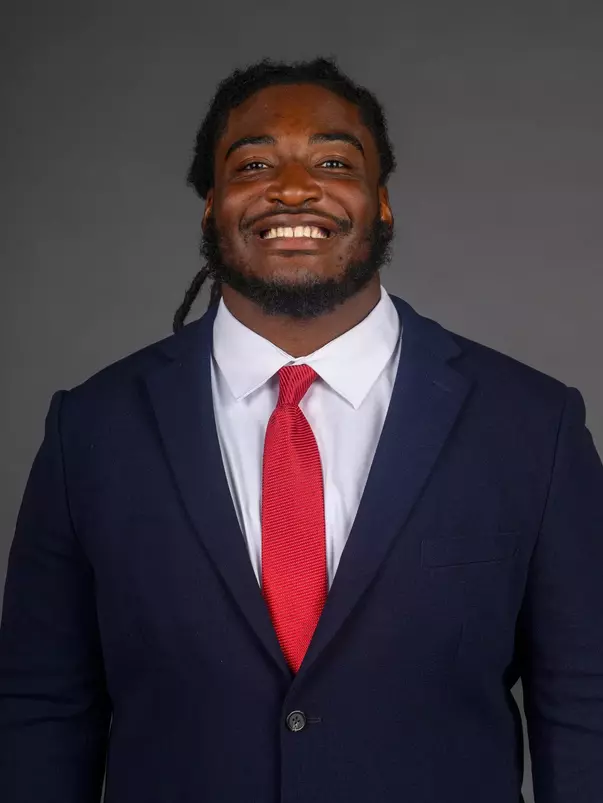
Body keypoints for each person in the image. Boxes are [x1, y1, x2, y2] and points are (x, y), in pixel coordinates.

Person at [1, 56, 602, 803]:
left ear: (381, 203)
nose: (291, 188)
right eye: (253, 164)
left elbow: (586, 703)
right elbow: (42, 707)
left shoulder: (532, 425)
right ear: (211, 205)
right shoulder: (91, 428)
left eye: (333, 162)